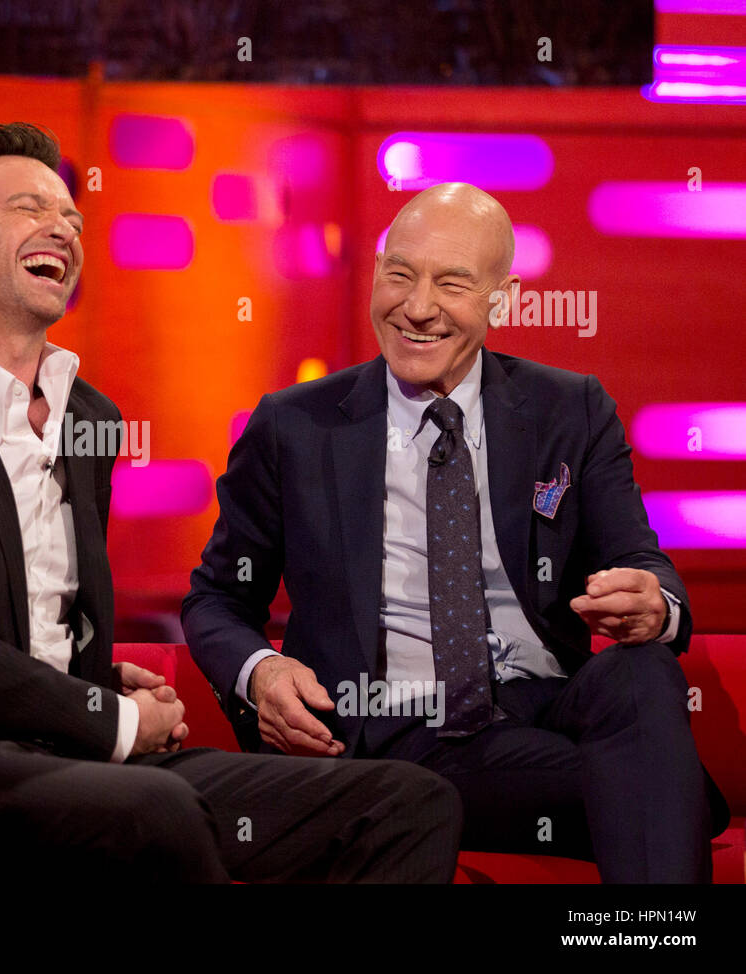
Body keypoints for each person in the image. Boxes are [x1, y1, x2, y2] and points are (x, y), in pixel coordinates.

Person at [0, 122, 463, 883]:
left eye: (72, 218)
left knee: (409, 801)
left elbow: (34, 611)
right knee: (146, 814)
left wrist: (86, 685)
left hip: (64, 757)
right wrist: (108, 716)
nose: (62, 227)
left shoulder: (90, 418)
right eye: (31, 208)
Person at [183, 181, 725, 883]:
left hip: (542, 709)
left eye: (452, 284)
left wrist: (655, 604)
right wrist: (261, 672)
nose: (416, 307)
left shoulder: (571, 409)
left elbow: (636, 557)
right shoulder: (295, 425)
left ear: (503, 298)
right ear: (376, 272)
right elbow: (218, 598)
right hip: (389, 726)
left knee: (642, 669)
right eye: (399, 274)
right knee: (672, 794)